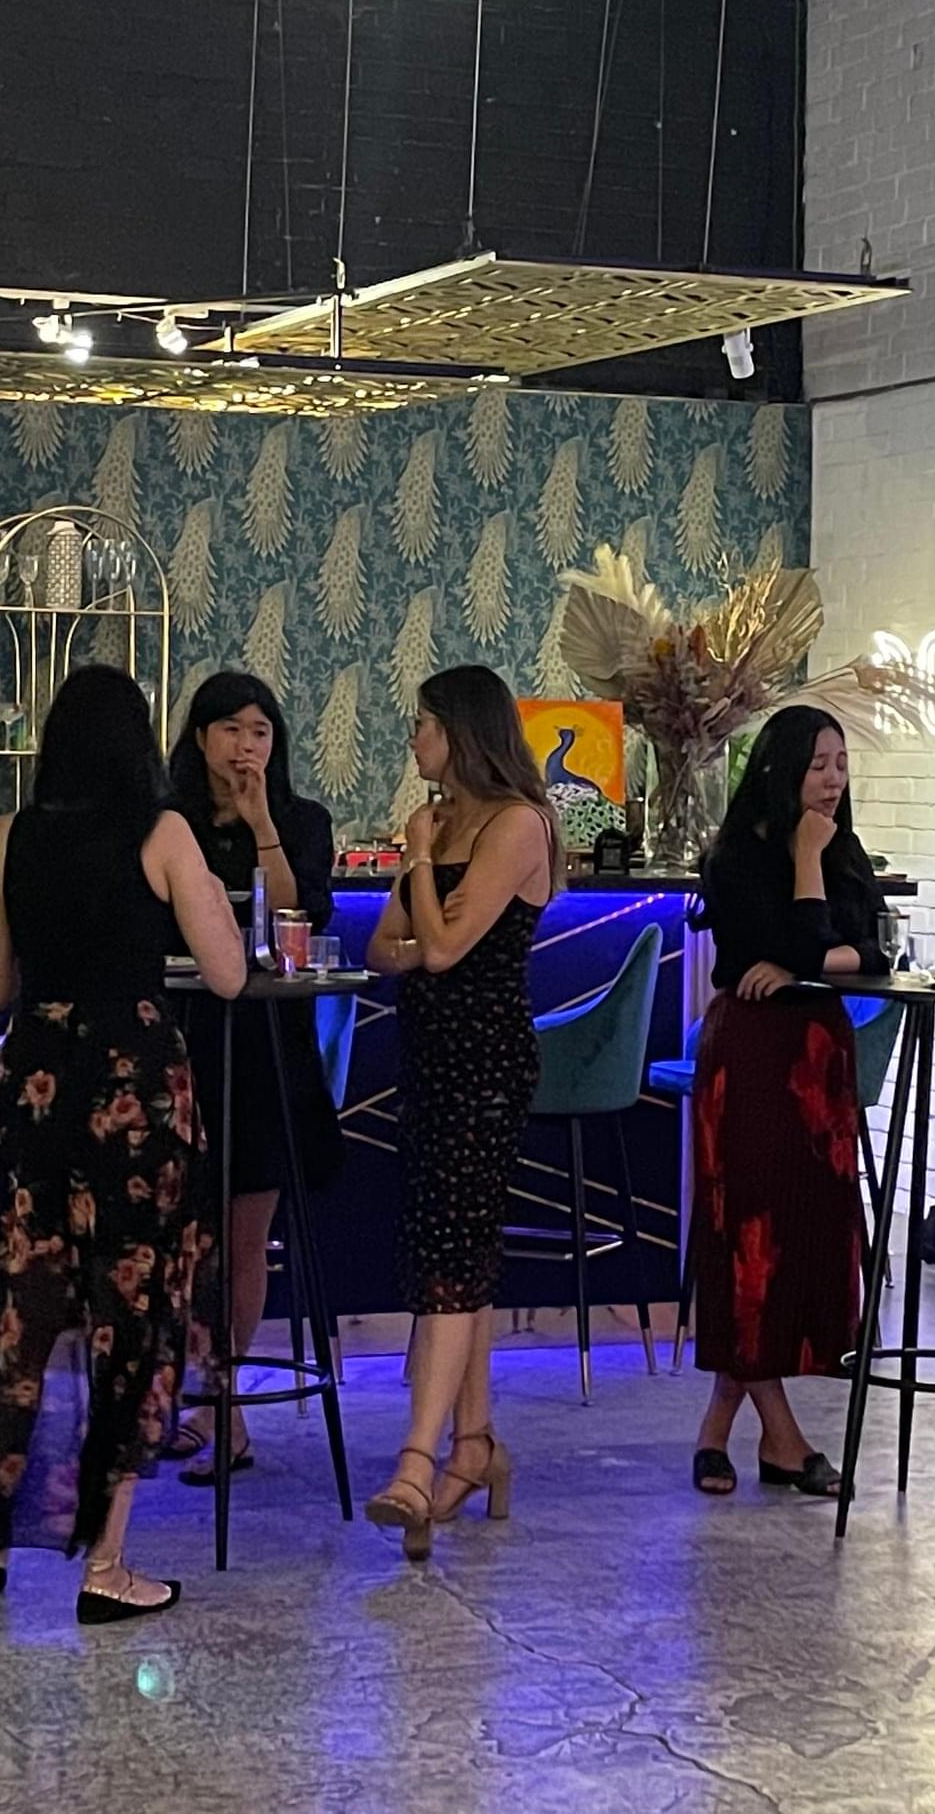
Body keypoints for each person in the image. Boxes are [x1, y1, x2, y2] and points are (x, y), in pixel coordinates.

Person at [0, 665, 247, 1621]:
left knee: (21, 1308)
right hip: (134, 1097)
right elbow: (228, 974)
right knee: (133, 1315)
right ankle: (105, 1564)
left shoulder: (5, 838)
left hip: (34, 1089)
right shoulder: (164, 833)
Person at [362, 664, 555, 1561]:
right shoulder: (441, 824)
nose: (413, 739)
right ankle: (475, 1446)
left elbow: (438, 950)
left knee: (451, 1251)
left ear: (463, 732)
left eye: (424, 724)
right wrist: (422, 911)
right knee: (451, 1252)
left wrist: (414, 867)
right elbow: (384, 946)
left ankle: (415, 1461)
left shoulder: (517, 824)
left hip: (485, 1060)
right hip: (429, 1055)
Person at [685, 706, 886, 1500]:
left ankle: (717, 1430)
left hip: (818, 1061)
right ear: (780, 769)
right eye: (817, 765)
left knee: (799, 1241)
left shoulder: (845, 848)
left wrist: (810, 962)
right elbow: (803, 944)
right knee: (748, 1238)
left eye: (841, 764)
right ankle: (785, 1437)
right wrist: (806, 866)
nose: (833, 780)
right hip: (754, 1055)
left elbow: (871, 951)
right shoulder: (737, 855)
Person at [165, 670, 347, 1483]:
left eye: (261, 731)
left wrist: (262, 823)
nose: (247, 745)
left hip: (268, 1045)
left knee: (243, 1239)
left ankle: (222, 1406)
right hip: (186, 1039)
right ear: (200, 738)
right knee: (182, 1239)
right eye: (232, 729)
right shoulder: (168, 824)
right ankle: (187, 1394)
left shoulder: (301, 821)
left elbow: (298, 918)